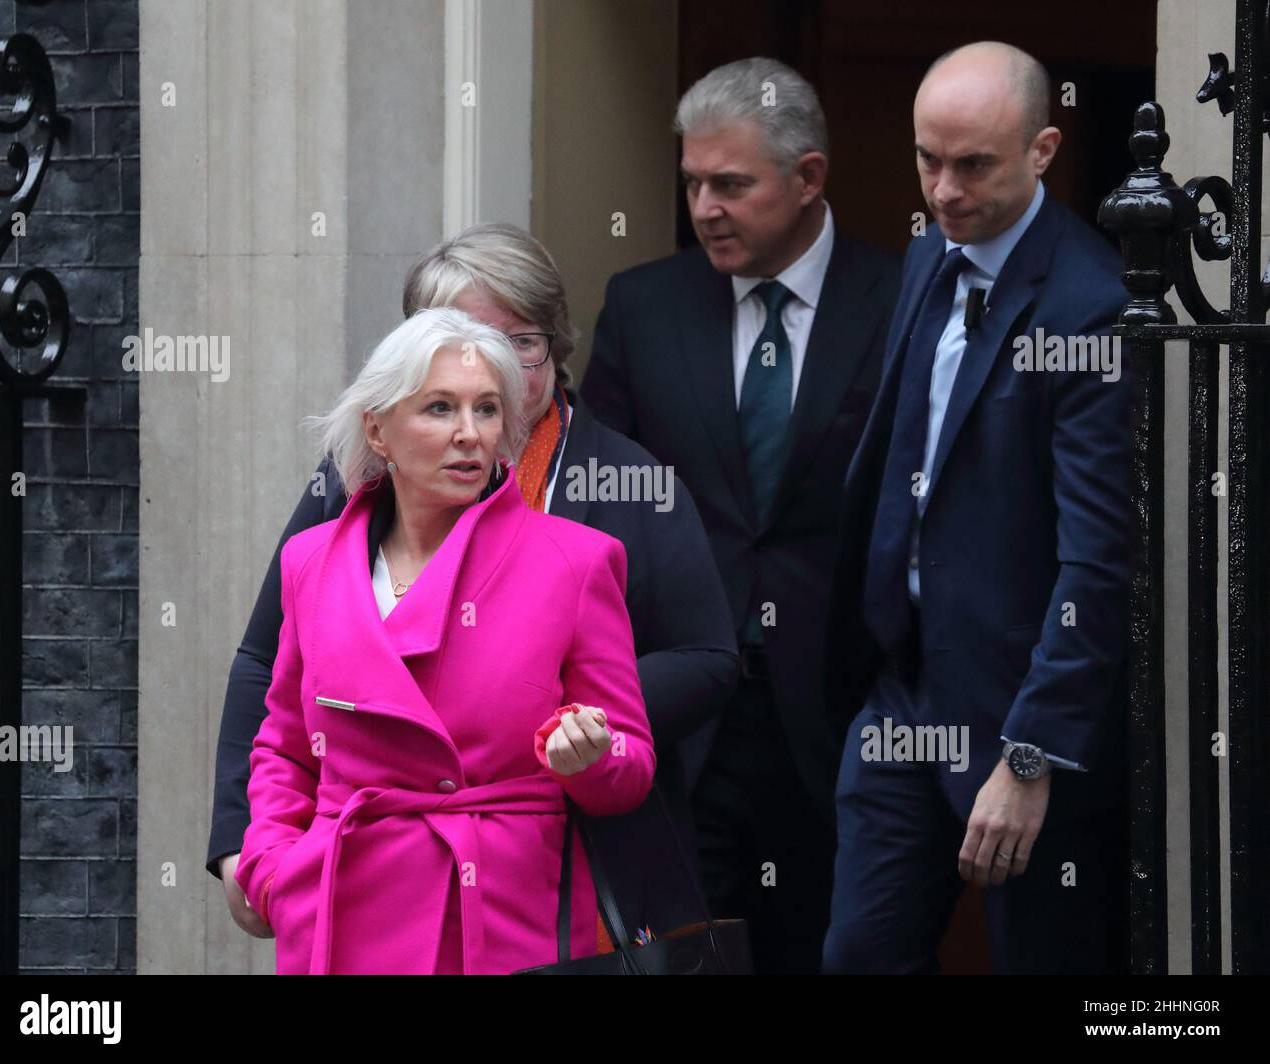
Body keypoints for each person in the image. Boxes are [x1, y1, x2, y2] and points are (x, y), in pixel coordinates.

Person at [209, 224, 737, 954]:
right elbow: (271, 675)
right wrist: (254, 852)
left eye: (521, 341)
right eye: (455, 338)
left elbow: (705, 655)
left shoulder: (623, 486)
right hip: (361, 889)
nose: (495, 371)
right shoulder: (347, 488)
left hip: (548, 868)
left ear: (553, 345)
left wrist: (543, 717)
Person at [582, 57, 900, 974]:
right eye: (692, 184)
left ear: (808, 178)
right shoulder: (644, 306)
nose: (706, 207)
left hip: (847, 711)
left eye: (732, 184)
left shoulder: (902, 299)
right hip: (685, 714)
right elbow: (597, 512)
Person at [822, 41, 1130, 974]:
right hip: (902, 690)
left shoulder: (1091, 309)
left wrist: (1032, 753)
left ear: (1041, 150)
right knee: (860, 956)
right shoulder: (931, 256)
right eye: (927, 159)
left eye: (974, 165)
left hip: (1018, 712)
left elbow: (1100, 561)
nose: (944, 189)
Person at [233, 307, 656, 973]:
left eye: (487, 410)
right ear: (379, 429)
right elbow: (285, 746)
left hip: (505, 923)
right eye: (439, 408)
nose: (469, 434)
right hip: (344, 916)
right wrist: (271, 869)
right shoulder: (310, 562)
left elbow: (629, 769)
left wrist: (593, 757)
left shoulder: (575, 561)